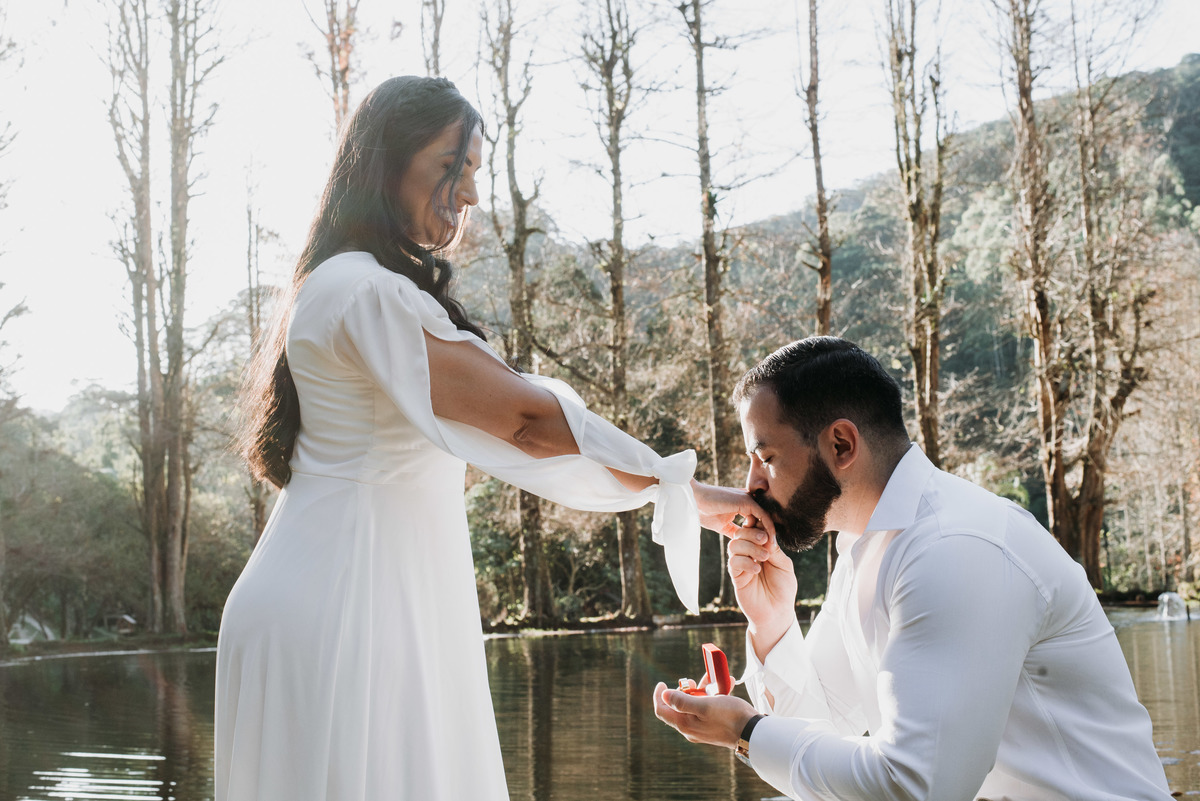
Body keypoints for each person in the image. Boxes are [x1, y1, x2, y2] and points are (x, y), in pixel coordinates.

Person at [216, 75, 768, 801]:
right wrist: (683, 490)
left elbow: (519, 426)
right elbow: (527, 422)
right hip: (350, 606)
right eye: (455, 165)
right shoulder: (365, 291)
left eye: (475, 169)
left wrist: (676, 492)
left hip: (350, 594)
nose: (472, 194)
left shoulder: (340, 284)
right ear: (388, 162)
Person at [654, 337, 1173, 801]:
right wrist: (772, 623)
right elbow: (821, 724)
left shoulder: (955, 548)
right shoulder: (867, 548)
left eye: (765, 457)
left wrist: (746, 733)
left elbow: (916, 787)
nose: (751, 484)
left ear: (841, 445)